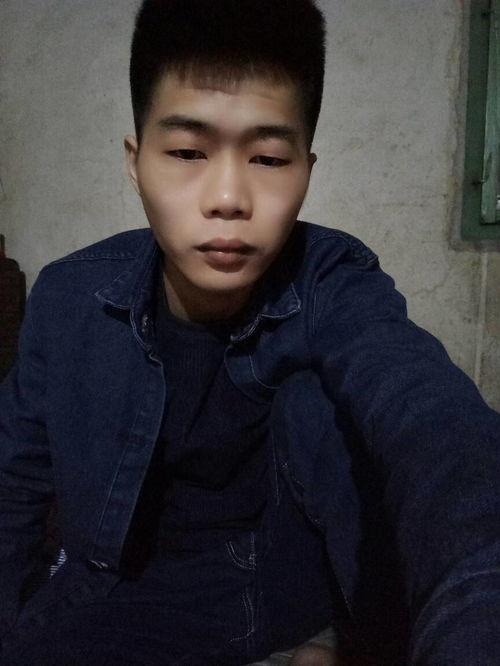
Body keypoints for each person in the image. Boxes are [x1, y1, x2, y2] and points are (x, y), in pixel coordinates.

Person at [0, 1, 499, 664]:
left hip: (281, 590)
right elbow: (14, 483)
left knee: (317, 400)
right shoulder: (70, 297)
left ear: (307, 170)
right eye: (187, 152)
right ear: (135, 161)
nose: (229, 198)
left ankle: (335, 635)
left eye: (267, 158)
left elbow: (431, 422)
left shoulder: (334, 280)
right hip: (120, 591)